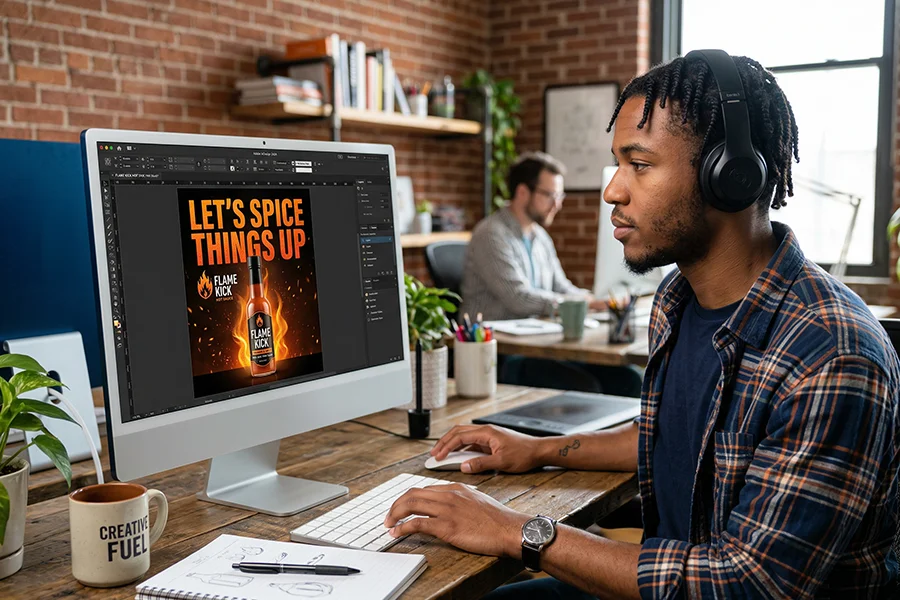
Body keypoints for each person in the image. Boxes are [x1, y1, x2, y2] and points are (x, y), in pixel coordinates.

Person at [385, 50, 899, 599]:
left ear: (730, 176)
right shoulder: (678, 300)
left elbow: (747, 585)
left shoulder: (831, 353)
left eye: (640, 164)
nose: (612, 190)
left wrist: (518, 531)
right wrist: (537, 449)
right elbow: (672, 436)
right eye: (617, 164)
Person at [460, 151, 606, 321]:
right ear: (522, 192)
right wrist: (581, 304)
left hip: (530, 334)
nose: (557, 205)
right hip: (492, 342)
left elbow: (560, 286)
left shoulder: (540, 236)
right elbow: (518, 298)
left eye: (559, 196)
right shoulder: (491, 234)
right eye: (550, 195)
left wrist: (593, 299)